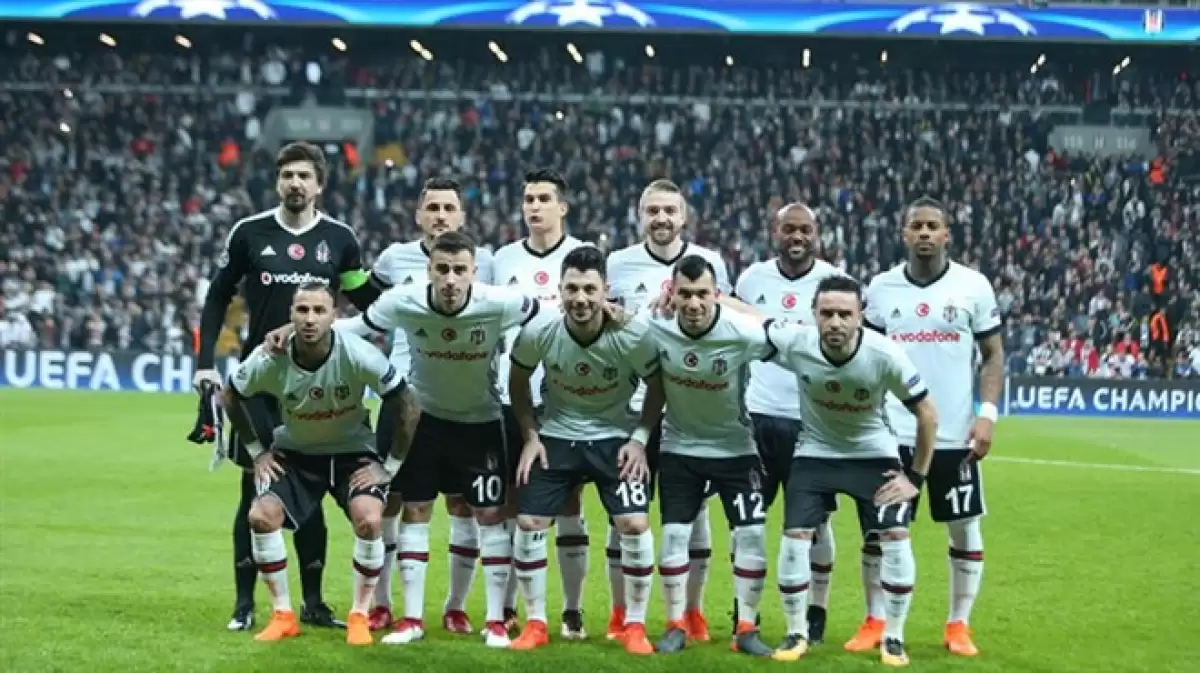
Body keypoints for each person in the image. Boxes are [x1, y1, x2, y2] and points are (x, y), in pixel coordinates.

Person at [194, 141, 383, 631]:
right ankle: (244, 604)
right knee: (254, 491)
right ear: (278, 182)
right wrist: (205, 364)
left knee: (312, 489)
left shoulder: (339, 239)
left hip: (319, 384)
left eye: (304, 176)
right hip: (261, 386)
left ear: (319, 185)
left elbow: (366, 299)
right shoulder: (249, 232)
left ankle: (313, 604)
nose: (295, 183)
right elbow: (217, 297)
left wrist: (410, 300)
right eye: (288, 175)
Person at [320, 230, 540, 648]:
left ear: (474, 272)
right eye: (443, 269)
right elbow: (356, 327)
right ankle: (412, 620)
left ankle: (495, 621)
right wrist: (299, 328)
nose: (451, 279)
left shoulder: (498, 302)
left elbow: (546, 316)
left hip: (481, 423)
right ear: (429, 271)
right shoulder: (404, 300)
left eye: (460, 270)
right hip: (424, 423)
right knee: (415, 511)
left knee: (489, 516)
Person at [221, 282, 420, 646]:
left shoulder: (358, 354)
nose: (310, 318)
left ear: (334, 316)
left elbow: (407, 404)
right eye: (302, 310)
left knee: (370, 519)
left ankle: (359, 616)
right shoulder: (270, 358)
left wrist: (389, 467)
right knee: (260, 516)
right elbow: (230, 394)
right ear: (291, 315)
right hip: (296, 454)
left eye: (318, 310)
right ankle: (283, 616)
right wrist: (257, 452)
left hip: (351, 454)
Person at [850, 197, 1004, 657]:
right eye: (915, 225)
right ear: (904, 233)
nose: (923, 233)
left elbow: (993, 354)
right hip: (892, 433)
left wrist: (987, 413)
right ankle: (876, 619)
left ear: (946, 234)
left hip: (955, 434)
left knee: (964, 528)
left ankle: (959, 624)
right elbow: (866, 358)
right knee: (879, 531)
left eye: (932, 225)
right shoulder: (881, 289)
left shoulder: (973, 286)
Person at [766, 274, 937, 667]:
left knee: (895, 535)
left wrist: (915, 478)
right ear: (813, 314)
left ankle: (893, 637)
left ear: (861, 316)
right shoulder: (797, 342)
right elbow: (751, 321)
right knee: (795, 536)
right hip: (815, 453)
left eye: (845, 314)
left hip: (872, 454)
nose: (835, 323)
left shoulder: (885, 354)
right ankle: (796, 632)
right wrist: (716, 298)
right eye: (827, 313)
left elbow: (927, 413)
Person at [505, 245, 661, 655]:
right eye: (572, 288)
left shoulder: (631, 334)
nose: (580, 298)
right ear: (559, 290)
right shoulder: (540, 331)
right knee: (529, 521)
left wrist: (640, 439)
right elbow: (517, 380)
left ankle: (635, 625)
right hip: (557, 436)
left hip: (614, 439)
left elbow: (658, 385)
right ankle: (536, 622)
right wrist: (531, 436)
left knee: (634, 524)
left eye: (589, 289)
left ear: (605, 290)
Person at [363, 177, 495, 634]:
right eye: (432, 207)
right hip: (400, 397)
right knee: (391, 502)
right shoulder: (393, 259)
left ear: (462, 216)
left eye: (449, 207)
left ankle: (456, 606)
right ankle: (382, 603)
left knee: (463, 505)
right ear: (418, 215)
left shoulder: (484, 262)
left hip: (463, 401)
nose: (440, 215)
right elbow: (367, 306)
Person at [604, 179, 730, 643]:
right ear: (640, 216)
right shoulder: (618, 264)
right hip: (631, 410)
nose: (661, 218)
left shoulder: (710, 262)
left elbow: (723, 323)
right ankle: (620, 613)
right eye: (652, 210)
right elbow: (608, 326)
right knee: (623, 513)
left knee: (695, 515)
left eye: (669, 211)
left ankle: (692, 612)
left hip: (689, 412)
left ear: (683, 217)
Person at [649, 254, 775, 657]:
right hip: (679, 448)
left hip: (736, 448)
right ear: (672, 294)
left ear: (716, 294)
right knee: (674, 536)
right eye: (685, 294)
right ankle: (675, 625)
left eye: (702, 294)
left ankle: (747, 628)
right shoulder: (655, 327)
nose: (693, 303)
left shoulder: (741, 332)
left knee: (751, 535)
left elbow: (782, 335)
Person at [732, 202, 843, 641]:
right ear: (774, 233)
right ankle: (745, 612)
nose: (797, 237)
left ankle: (817, 611)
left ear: (817, 234)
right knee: (747, 522)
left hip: (812, 422)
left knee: (816, 523)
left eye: (805, 230)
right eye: (789, 229)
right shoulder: (751, 280)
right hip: (757, 419)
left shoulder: (834, 283)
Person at [490, 169, 590, 638]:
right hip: (514, 396)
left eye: (544, 198)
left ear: (562, 206)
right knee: (515, 502)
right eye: (528, 198)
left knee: (569, 501)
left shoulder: (583, 257)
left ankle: (572, 609)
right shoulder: (502, 259)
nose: (534, 206)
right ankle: (510, 607)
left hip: (568, 399)